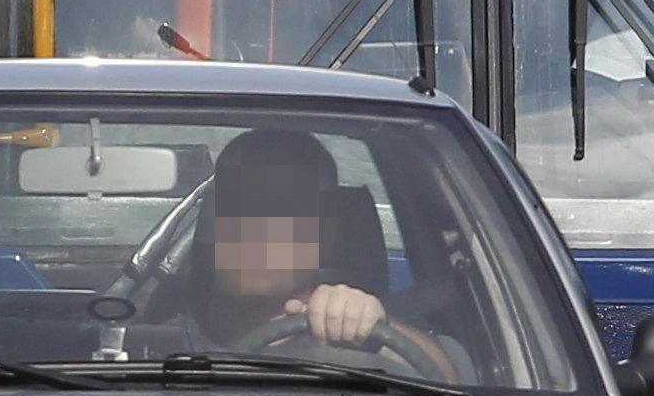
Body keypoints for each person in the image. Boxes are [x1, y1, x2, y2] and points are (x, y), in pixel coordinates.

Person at [168, 126, 470, 379]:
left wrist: (374, 329)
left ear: (327, 233)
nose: (256, 226)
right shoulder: (143, 344)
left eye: (284, 209)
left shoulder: (361, 347)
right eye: (239, 205)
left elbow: (451, 386)